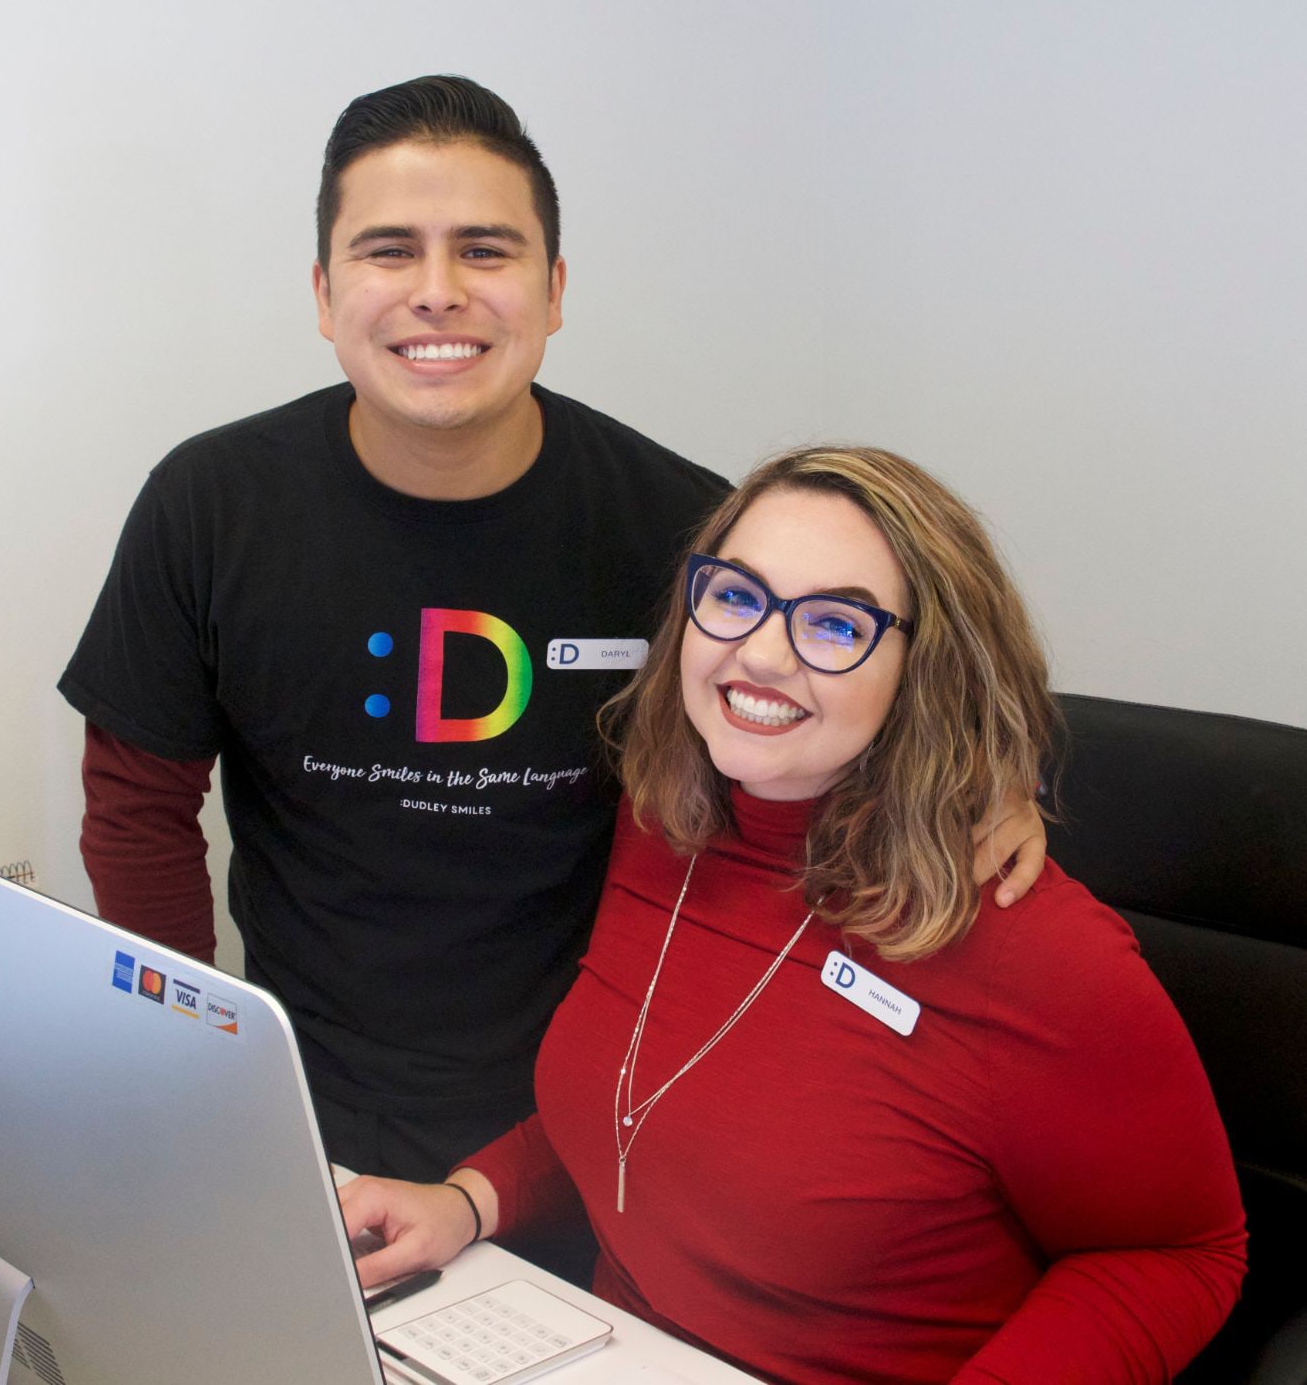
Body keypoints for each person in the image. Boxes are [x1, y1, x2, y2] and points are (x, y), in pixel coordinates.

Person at [59, 76, 1048, 1185]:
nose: (437, 294)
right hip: (305, 1096)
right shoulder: (211, 504)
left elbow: (828, 718)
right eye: (389, 251)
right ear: (324, 292)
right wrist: (189, 1057)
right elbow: (137, 810)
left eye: (484, 251)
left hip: (607, 1100)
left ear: (553, 288)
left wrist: (974, 786)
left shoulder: (682, 530)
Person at [341, 447, 1248, 1384]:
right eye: (736, 596)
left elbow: (1180, 1256)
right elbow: (641, 1112)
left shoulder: (1037, 951)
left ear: (926, 666)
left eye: (834, 623)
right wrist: (469, 1200)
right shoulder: (663, 825)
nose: (762, 653)